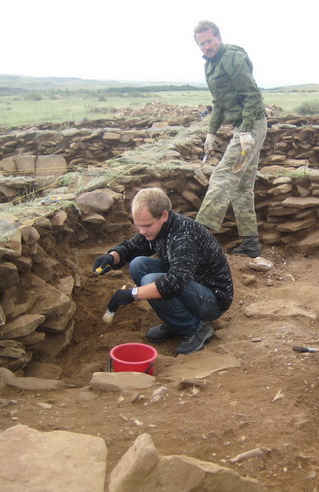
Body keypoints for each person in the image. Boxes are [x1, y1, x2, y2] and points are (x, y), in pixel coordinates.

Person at [92, 188, 233, 355]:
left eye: (147, 225)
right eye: (138, 226)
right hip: (193, 285)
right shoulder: (160, 228)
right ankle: (175, 321)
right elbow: (133, 247)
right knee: (138, 264)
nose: (142, 231)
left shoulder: (183, 236)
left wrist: (132, 294)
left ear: (164, 216)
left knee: (150, 281)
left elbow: (175, 283)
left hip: (212, 299)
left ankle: (194, 328)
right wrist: (112, 257)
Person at [193, 20, 268, 258]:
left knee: (222, 176)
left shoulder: (233, 58)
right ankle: (250, 243)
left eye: (209, 40)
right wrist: (211, 131)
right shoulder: (210, 64)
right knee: (242, 187)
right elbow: (218, 101)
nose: (206, 46)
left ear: (218, 37)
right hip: (244, 126)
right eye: (201, 43)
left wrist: (246, 130)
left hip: (252, 124)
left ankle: (197, 239)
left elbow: (252, 95)